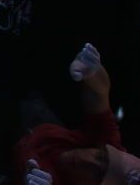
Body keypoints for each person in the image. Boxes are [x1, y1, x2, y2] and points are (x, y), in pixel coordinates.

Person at [15, 43, 140, 185]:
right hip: (33, 126)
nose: (87, 160)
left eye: (97, 175)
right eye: (100, 157)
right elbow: (98, 96)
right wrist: (92, 71)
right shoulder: (108, 143)